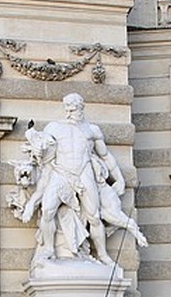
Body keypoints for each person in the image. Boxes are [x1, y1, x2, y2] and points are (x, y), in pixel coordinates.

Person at [21, 93, 131, 265]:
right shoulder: (54, 128)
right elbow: (42, 151)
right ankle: (49, 249)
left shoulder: (92, 130)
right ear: (67, 109)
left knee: (94, 216)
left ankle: (102, 254)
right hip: (61, 172)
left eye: (78, 107)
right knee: (48, 210)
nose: (75, 111)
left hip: (84, 172)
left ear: (82, 107)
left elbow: (106, 156)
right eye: (72, 107)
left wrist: (119, 179)